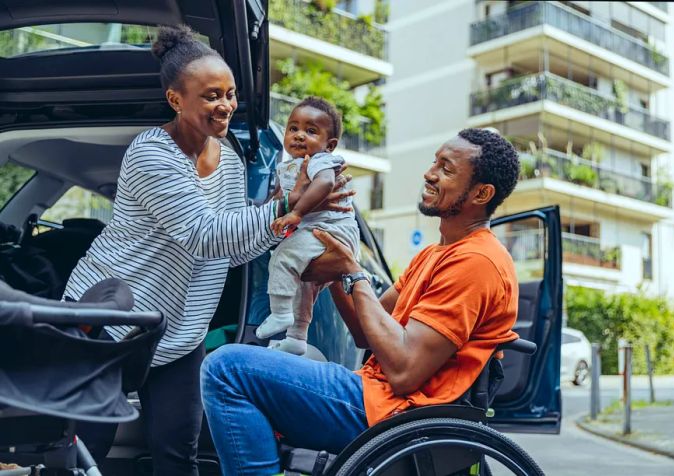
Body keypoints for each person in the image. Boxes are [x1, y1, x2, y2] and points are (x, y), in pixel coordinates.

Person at [62, 25, 351, 476]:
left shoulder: (231, 159)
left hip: (179, 332)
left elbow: (231, 249)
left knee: (179, 455)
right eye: (211, 95)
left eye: (231, 93)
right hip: (112, 320)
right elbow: (204, 234)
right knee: (84, 454)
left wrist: (291, 220)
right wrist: (289, 203)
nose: (226, 105)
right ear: (176, 99)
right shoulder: (150, 154)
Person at [200, 128, 522, 475]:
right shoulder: (435, 254)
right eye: (434, 162)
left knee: (226, 369)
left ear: (481, 193)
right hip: (380, 398)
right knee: (279, 359)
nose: (430, 174)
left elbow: (404, 371)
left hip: (398, 413)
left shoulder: (477, 262)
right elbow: (365, 333)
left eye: (446, 169)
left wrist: (353, 271)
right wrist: (338, 268)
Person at [255, 96, 360, 355]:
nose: (299, 135)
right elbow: (277, 200)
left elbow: (324, 184)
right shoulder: (287, 166)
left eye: (311, 131)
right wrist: (277, 206)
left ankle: (280, 314)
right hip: (316, 232)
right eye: (293, 128)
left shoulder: (320, 161)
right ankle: (296, 336)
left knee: (283, 256)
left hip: (331, 232)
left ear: (329, 145)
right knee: (303, 286)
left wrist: (296, 213)